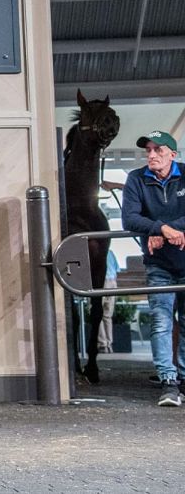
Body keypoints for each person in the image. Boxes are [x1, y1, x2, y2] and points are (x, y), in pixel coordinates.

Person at [121, 130, 185, 407]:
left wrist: (167, 231)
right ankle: (169, 381)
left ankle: (183, 377)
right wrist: (159, 228)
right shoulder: (136, 179)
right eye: (148, 150)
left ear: (173, 154)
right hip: (158, 263)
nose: (151, 155)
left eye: (158, 150)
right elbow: (129, 218)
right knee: (160, 321)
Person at [97, 250, 119, 354]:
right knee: (107, 316)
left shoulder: (93, 251)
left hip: (100, 282)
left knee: (97, 315)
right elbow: (116, 270)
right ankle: (109, 345)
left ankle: (103, 344)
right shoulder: (110, 252)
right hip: (112, 283)